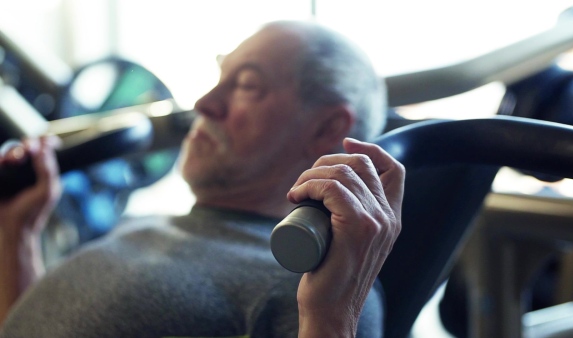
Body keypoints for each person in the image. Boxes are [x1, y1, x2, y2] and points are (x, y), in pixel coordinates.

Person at [0, 20, 405, 337]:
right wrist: (16, 233)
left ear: (325, 129)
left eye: (247, 85)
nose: (203, 104)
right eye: (218, 77)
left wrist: (332, 317)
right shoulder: (143, 228)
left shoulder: (314, 288)